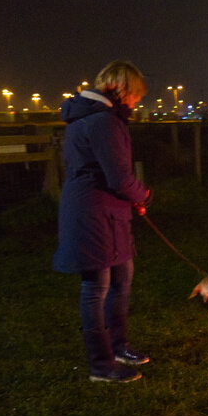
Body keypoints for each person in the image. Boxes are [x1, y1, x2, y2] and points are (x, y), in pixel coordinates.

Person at [53, 61, 153, 382]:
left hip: (108, 213)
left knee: (123, 277)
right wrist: (143, 196)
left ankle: (119, 345)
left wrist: (130, 200)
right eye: (136, 95)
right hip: (92, 215)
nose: (137, 102)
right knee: (96, 287)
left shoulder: (99, 118)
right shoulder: (102, 122)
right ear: (122, 89)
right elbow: (120, 178)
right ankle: (101, 364)